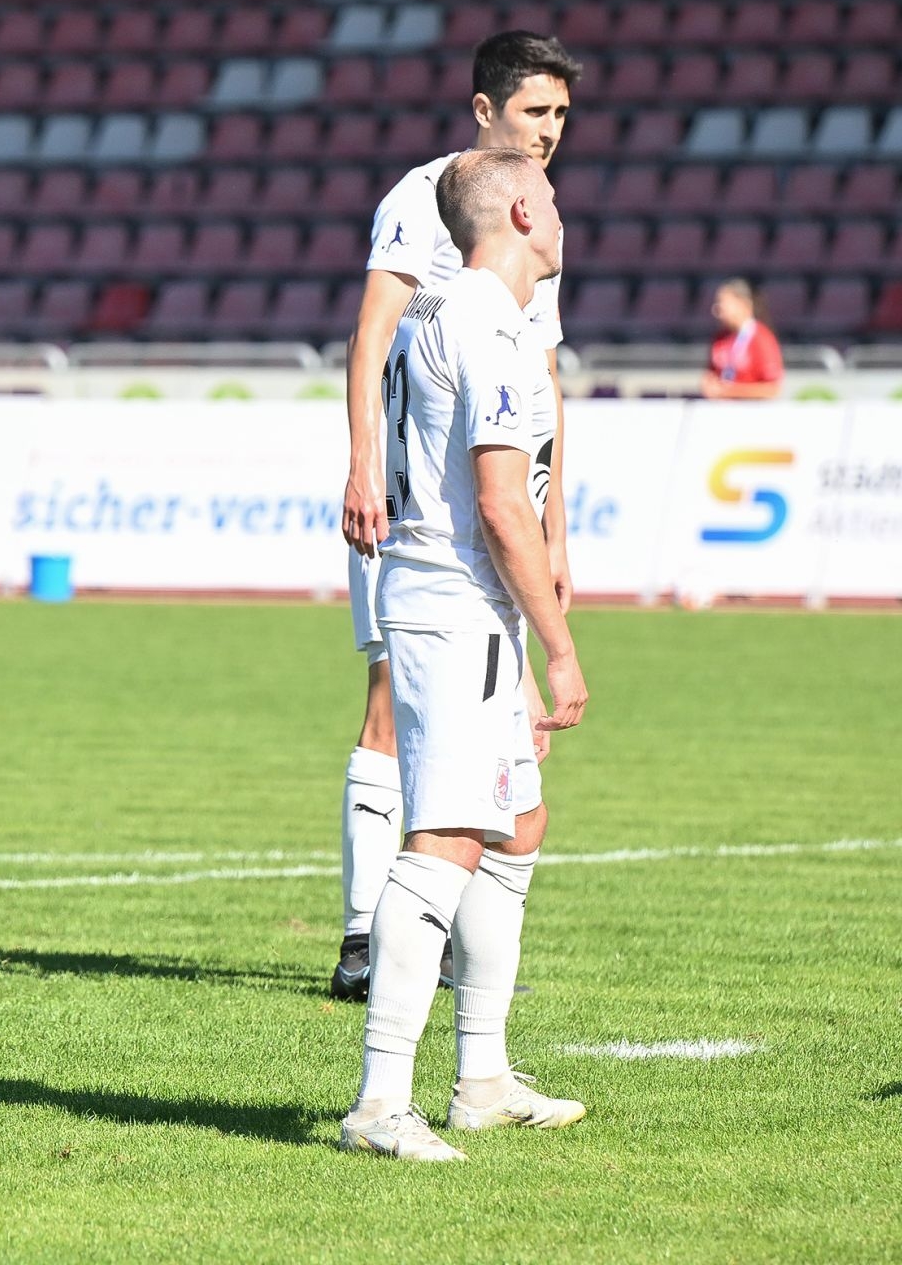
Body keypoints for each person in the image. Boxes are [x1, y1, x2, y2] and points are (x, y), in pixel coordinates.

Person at [338, 150, 589, 1160]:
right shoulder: (484, 324)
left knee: (517, 824)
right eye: (553, 199)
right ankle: (378, 1103)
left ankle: (482, 1078)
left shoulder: (448, 314)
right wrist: (558, 649)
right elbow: (499, 504)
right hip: (455, 606)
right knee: (444, 837)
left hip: (463, 606)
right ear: (522, 210)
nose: (563, 213)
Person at [701, 278, 784, 400]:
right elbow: (711, 373)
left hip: (749, 409)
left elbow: (772, 389)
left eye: (723, 303)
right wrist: (708, 385)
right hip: (720, 408)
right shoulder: (720, 337)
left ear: (743, 304)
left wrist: (730, 392)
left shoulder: (761, 339)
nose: (718, 310)